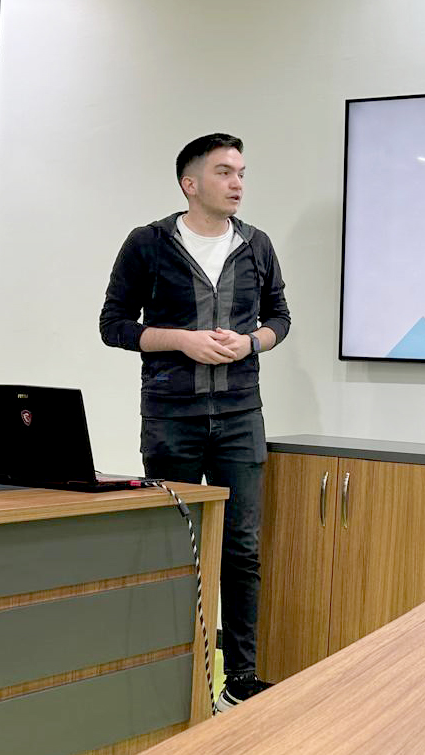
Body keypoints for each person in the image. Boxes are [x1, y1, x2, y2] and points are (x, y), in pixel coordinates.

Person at [100, 133, 290, 710]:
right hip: (171, 417)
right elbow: (114, 325)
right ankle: (171, 676)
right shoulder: (148, 243)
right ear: (191, 183)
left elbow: (280, 318)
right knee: (175, 546)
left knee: (242, 550)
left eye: (242, 173)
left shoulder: (256, 244)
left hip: (240, 415)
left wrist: (251, 342)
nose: (238, 183)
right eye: (225, 172)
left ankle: (240, 680)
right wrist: (181, 340)